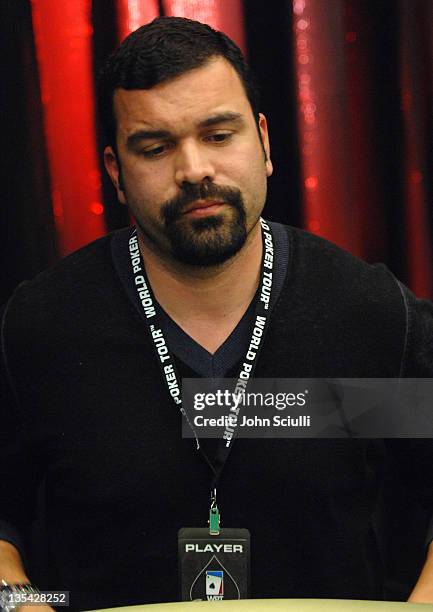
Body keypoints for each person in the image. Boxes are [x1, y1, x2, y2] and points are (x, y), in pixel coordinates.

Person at [1, 16, 433, 611]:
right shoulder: (45, 329)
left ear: (264, 141)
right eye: (155, 147)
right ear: (115, 173)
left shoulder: (364, 315)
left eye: (219, 135)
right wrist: (21, 601)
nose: (194, 169)